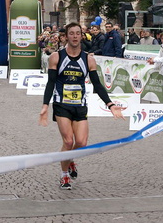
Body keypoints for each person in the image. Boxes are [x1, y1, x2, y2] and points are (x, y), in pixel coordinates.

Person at [38, 22, 125, 190]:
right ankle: (64, 176)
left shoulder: (88, 59)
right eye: (72, 33)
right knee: (68, 141)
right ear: (66, 36)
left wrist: (111, 105)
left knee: (82, 143)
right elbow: (50, 83)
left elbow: (98, 85)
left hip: (80, 106)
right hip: (62, 105)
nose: (75, 36)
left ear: (81, 36)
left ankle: (69, 160)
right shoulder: (56, 57)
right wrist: (45, 106)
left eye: (78, 33)